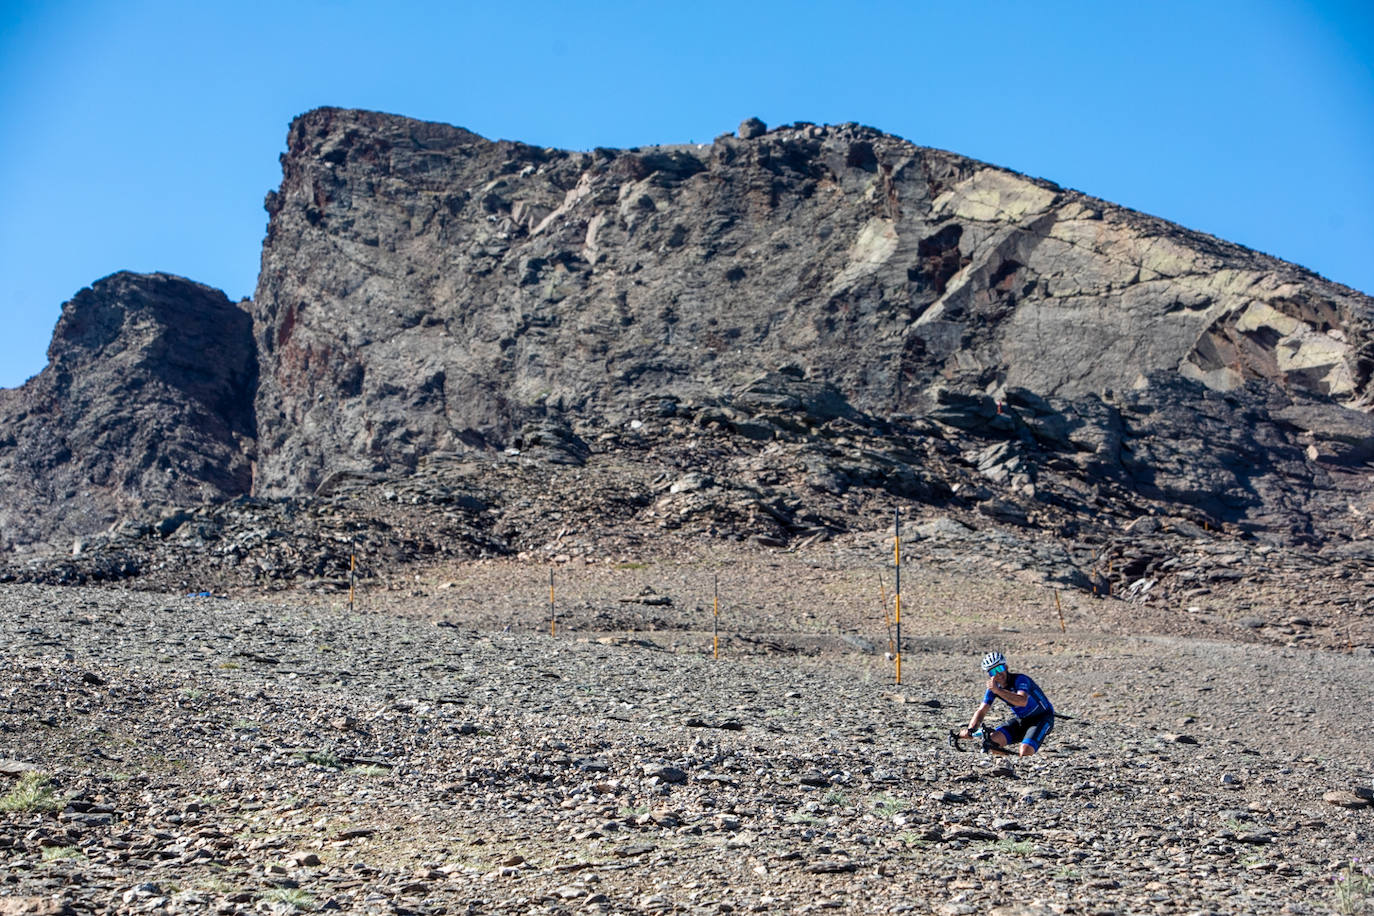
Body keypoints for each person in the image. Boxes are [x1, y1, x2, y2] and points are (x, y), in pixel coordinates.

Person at [957, 651, 1054, 756]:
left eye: (999, 669)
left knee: (1025, 751)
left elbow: (1022, 701)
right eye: (993, 672)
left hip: (1042, 718)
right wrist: (971, 729)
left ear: (1006, 667)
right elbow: (982, 710)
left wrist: (998, 691)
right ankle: (1009, 766)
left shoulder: (1020, 680)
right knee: (992, 742)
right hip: (1023, 720)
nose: (998, 674)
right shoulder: (993, 688)